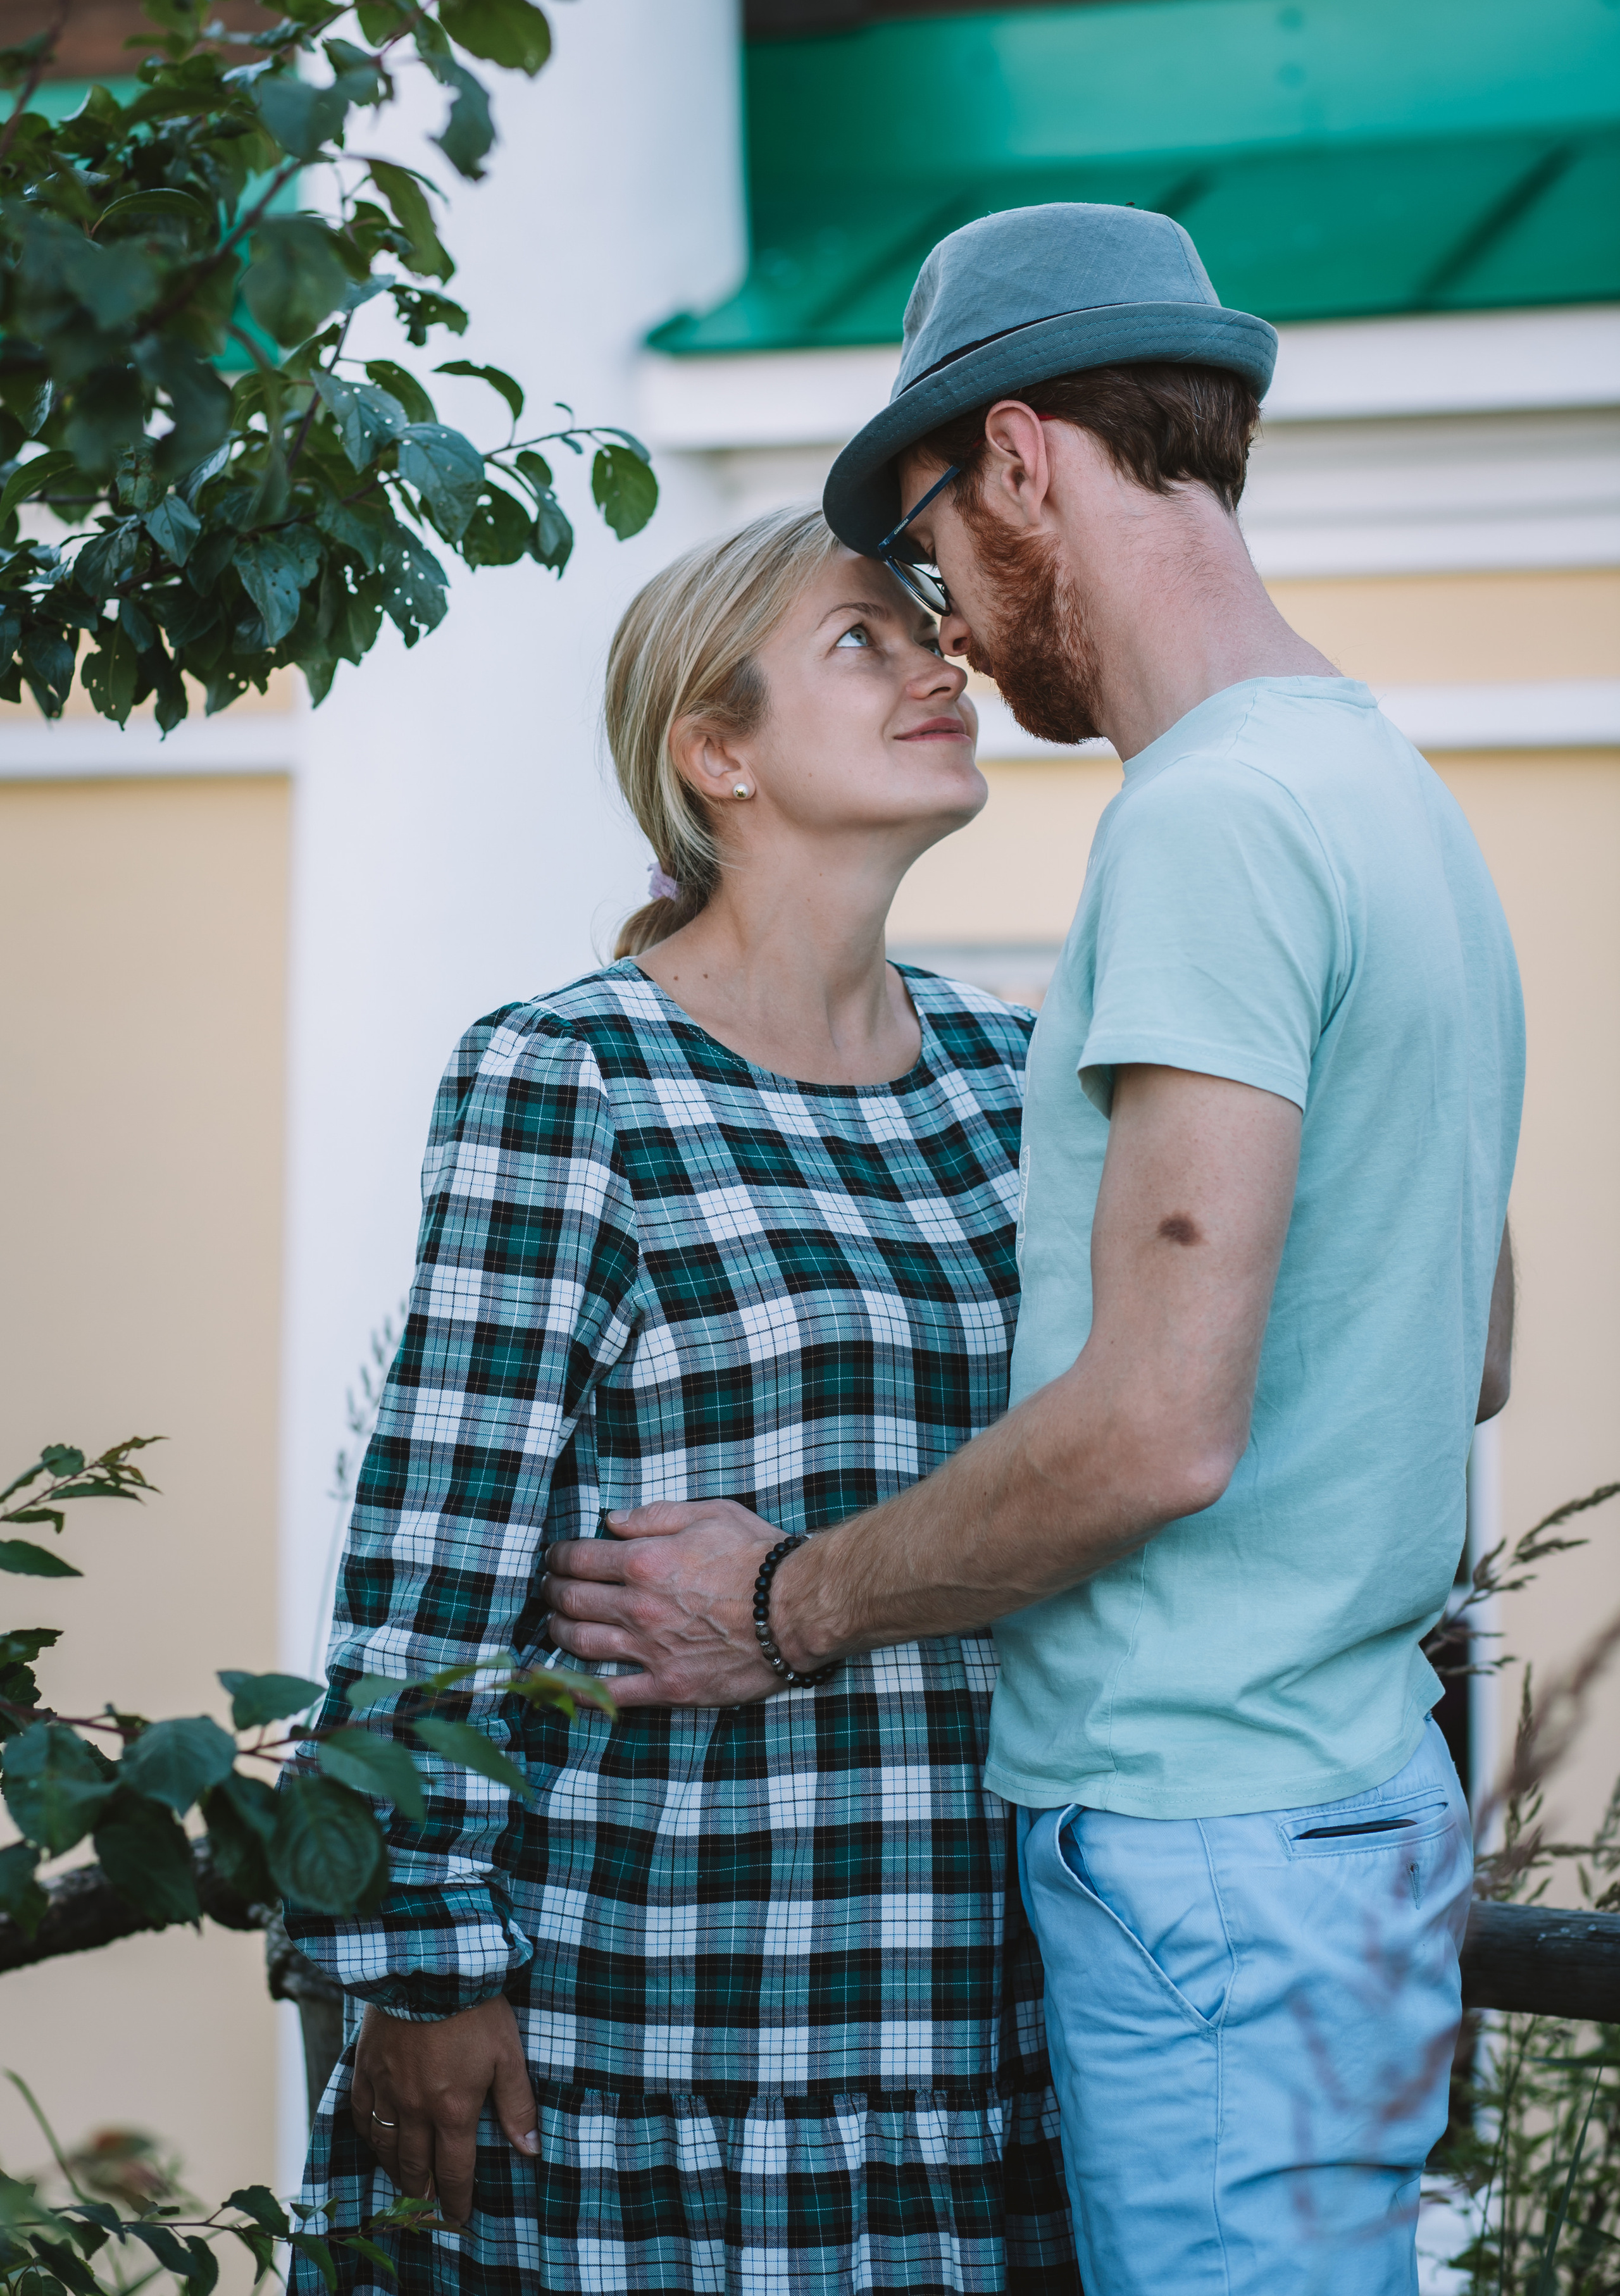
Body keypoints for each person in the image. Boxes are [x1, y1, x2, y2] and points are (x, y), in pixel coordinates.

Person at [542, 203, 1526, 2294]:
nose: (952, 633)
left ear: (1015, 464)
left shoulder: (1202, 825)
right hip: (1347, 1817)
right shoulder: (1381, 789)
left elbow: (1160, 1433)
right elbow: (1472, 1331)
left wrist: (783, 1605)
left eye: (925, 561)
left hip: (1208, 1845)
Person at [285, 502, 1080, 2295]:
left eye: (928, 631)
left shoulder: (1019, 1075)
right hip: (646, 2013)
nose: (940, 662)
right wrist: (420, 1970)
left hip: (973, 2007)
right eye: (862, 640)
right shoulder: (570, 1072)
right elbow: (432, 1550)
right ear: (715, 753)